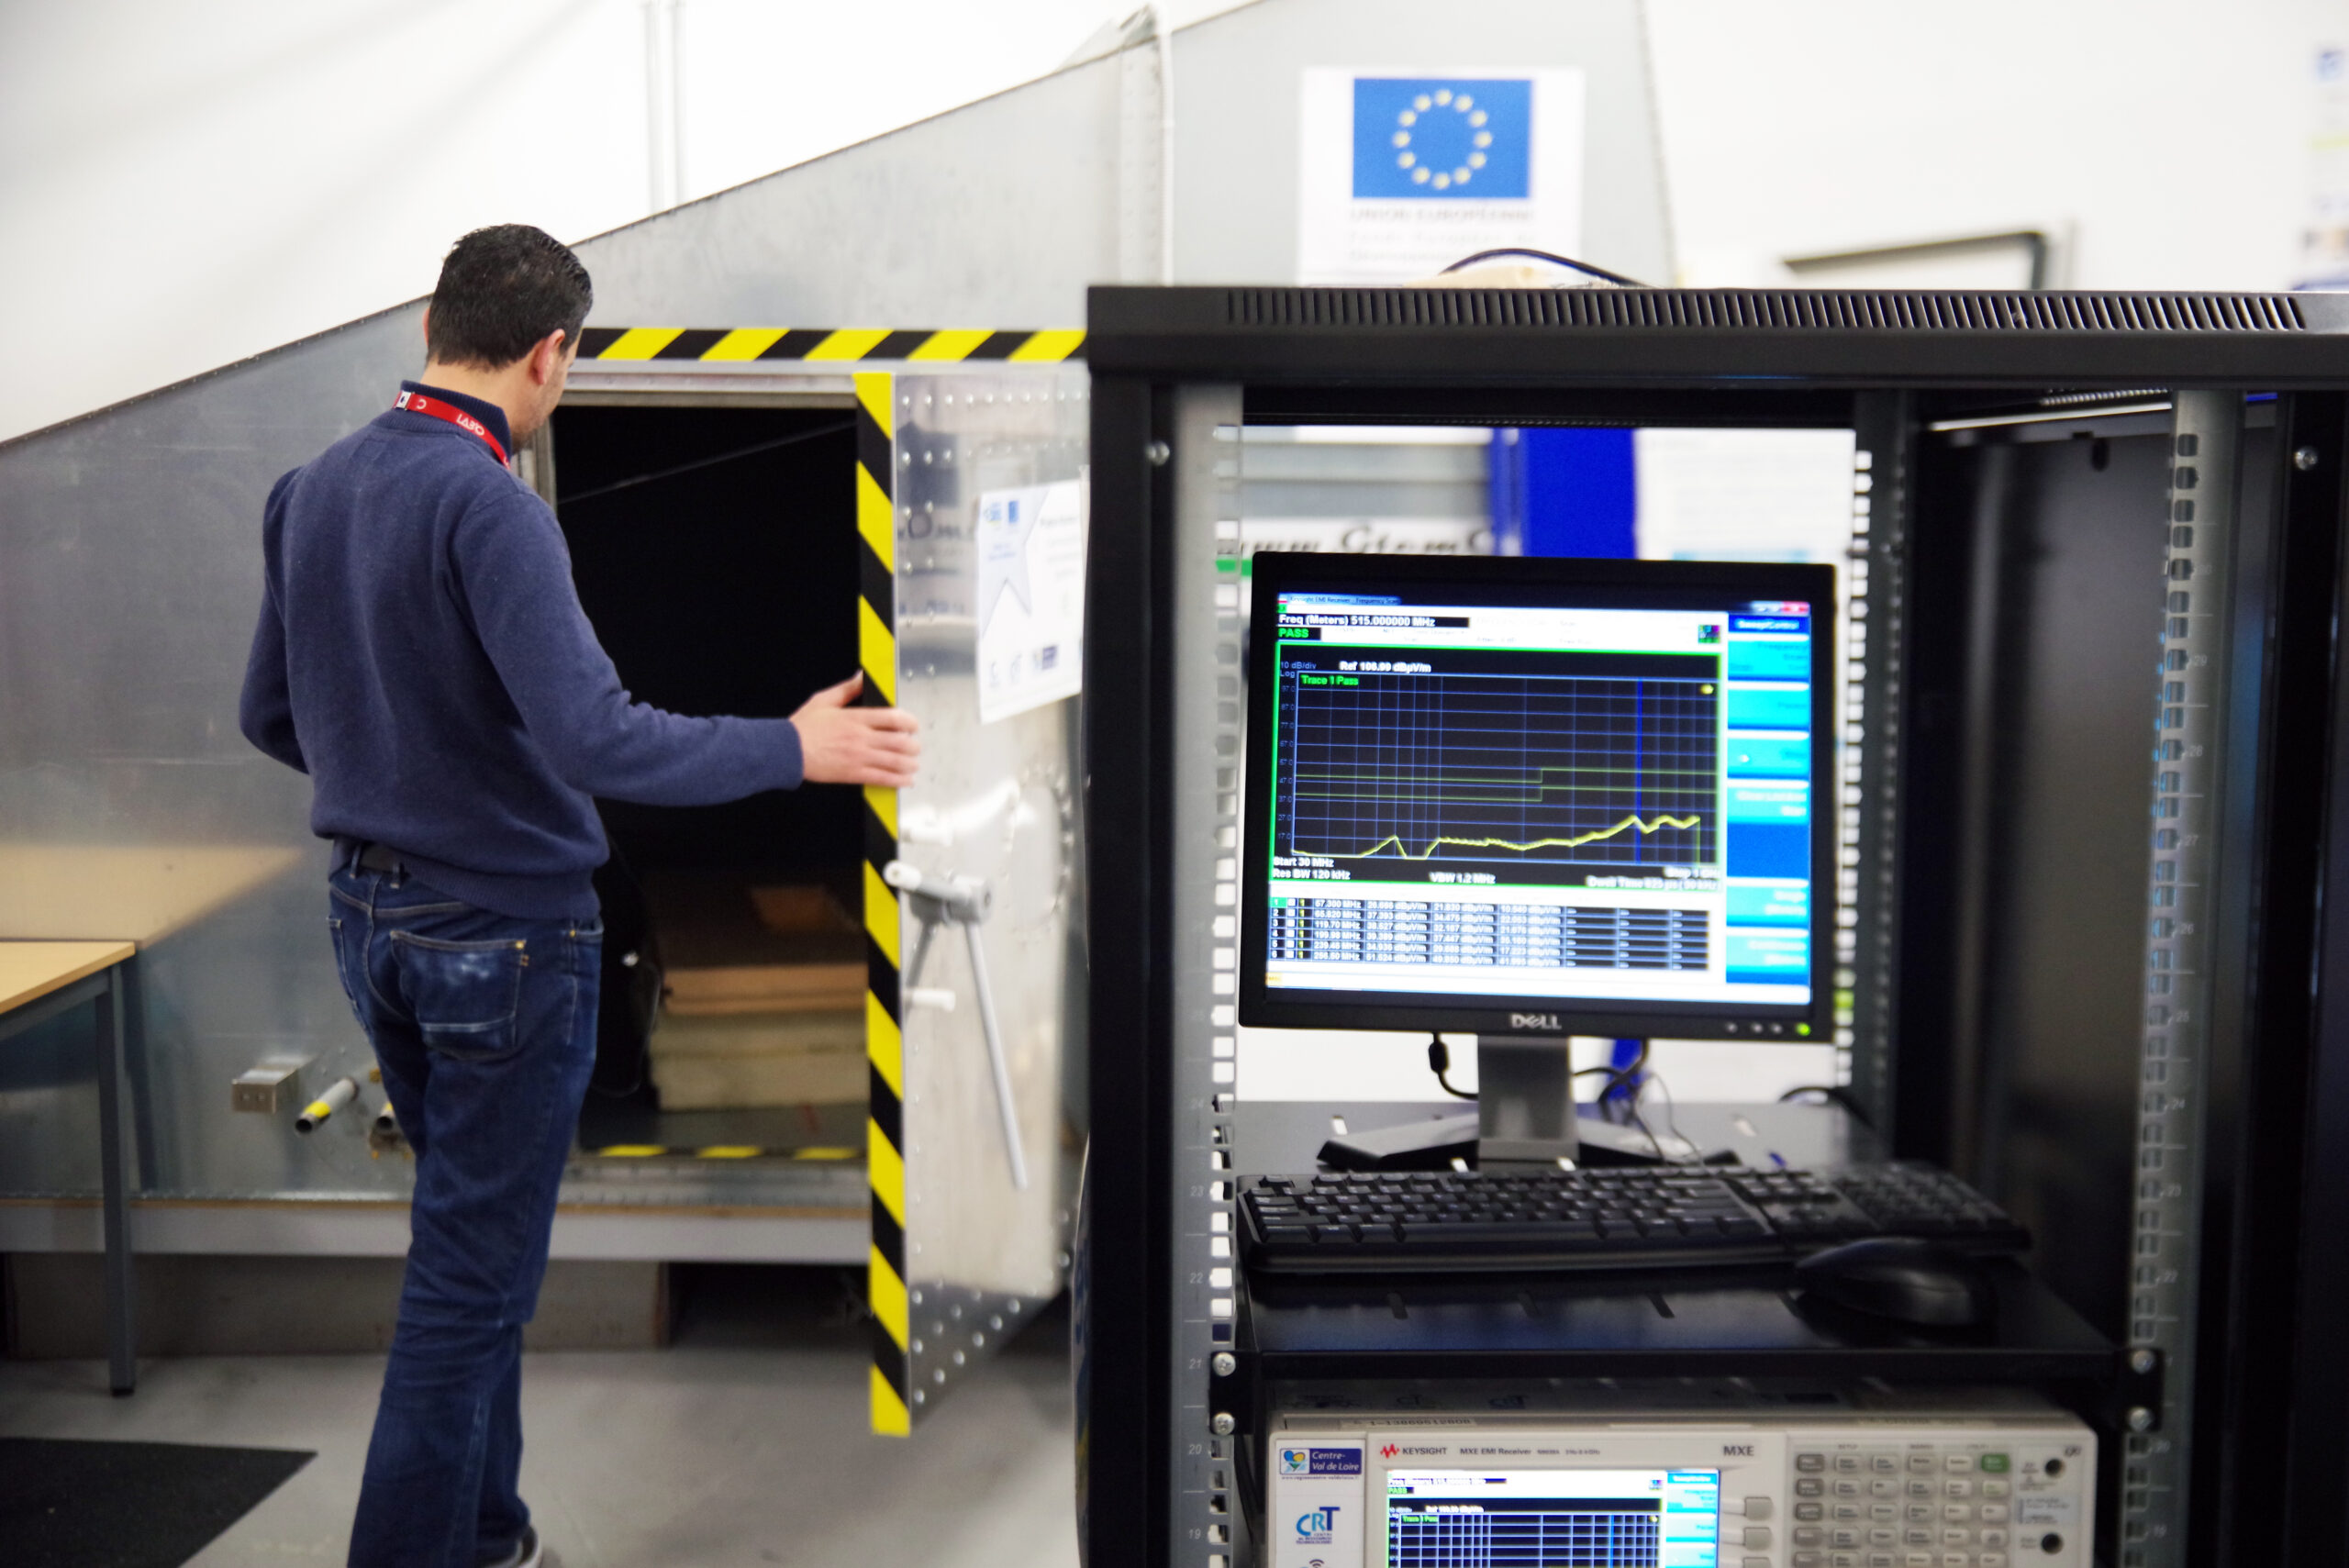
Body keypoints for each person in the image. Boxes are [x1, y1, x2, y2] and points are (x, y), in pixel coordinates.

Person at [237, 224, 918, 1568]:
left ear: (432, 326)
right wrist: (797, 746)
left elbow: (270, 715)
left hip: (370, 924)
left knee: (467, 1248)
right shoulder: (493, 507)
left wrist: (400, 776)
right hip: (500, 941)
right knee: (468, 1287)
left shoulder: (309, 487)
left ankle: (491, 1533)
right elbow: (601, 741)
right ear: (551, 355)